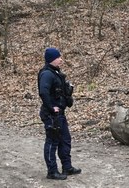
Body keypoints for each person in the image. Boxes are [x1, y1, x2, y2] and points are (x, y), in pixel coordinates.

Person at [38, 47, 81, 180]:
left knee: (65, 140)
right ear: (52, 59)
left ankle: (67, 167)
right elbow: (43, 92)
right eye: (58, 57)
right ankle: (52, 171)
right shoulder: (46, 74)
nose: (61, 59)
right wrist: (51, 108)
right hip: (51, 115)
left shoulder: (56, 73)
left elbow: (58, 92)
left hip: (60, 114)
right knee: (52, 142)